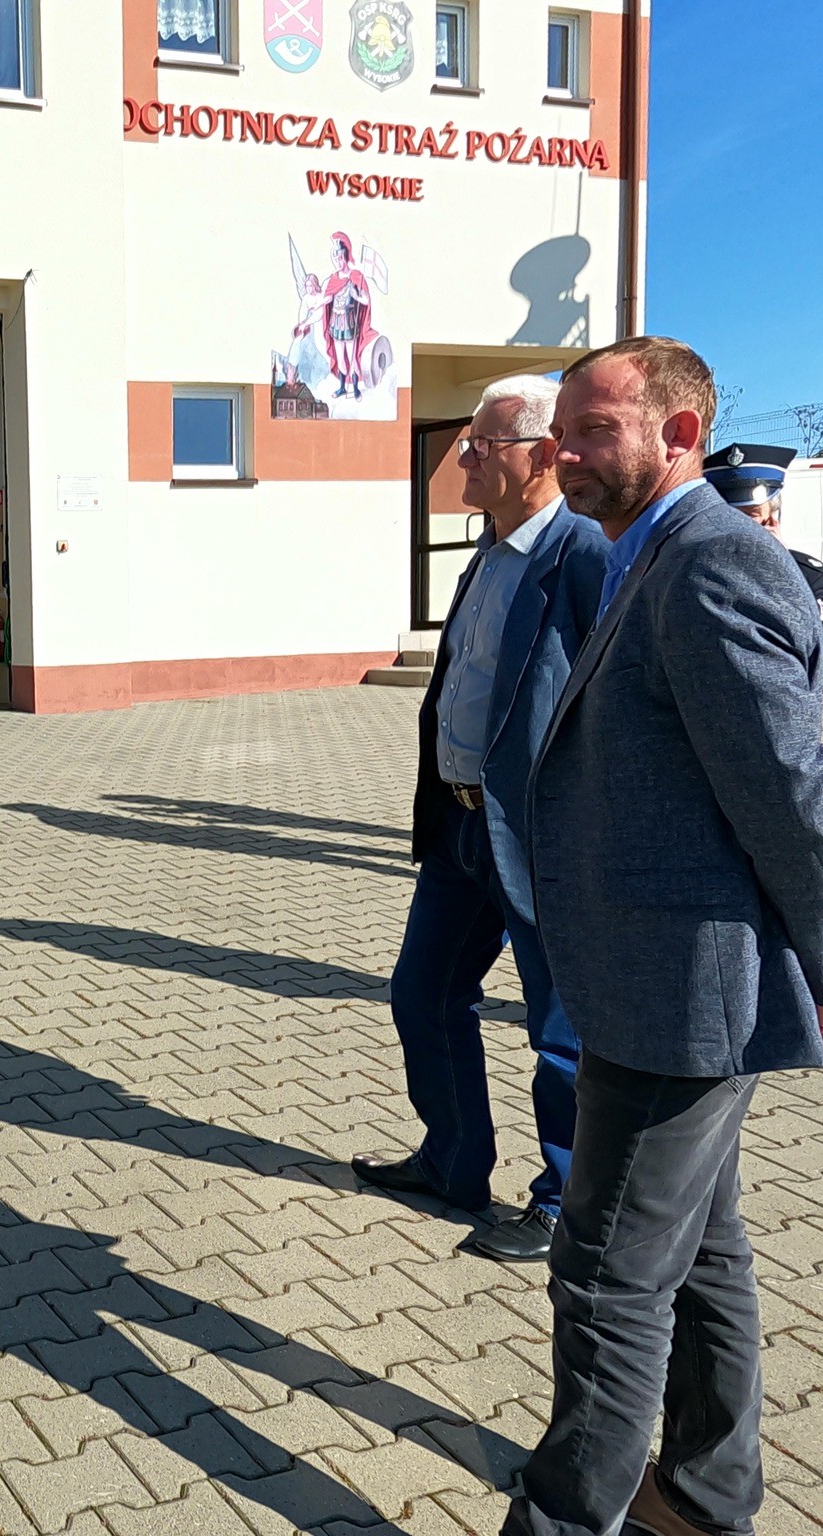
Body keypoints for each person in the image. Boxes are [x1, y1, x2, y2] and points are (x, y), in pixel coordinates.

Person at [504, 336, 823, 1536]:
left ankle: (566, 1516)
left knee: (604, 1276)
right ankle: (700, 1494)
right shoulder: (644, 555)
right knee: (700, 1250)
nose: (564, 455)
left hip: (678, 996)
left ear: (677, 435)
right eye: (559, 435)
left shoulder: (707, 563)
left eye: (591, 431)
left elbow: (790, 796)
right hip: (653, 981)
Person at [352, 377, 607, 1264]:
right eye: (465, 442)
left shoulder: (583, 555)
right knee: (422, 993)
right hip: (460, 828)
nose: (461, 457)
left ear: (541, 456)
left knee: (560, 1031)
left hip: (539, 839)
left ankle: (567, 1203)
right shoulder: (487, 552)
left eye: (480, 446)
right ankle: (453, 1162)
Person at [704, 441, 823, 601]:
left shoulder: (809, 577)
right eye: (727, 514)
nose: (736, 523)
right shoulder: (691, 572)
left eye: (749, 515)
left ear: (772, 519)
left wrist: (779, 565)